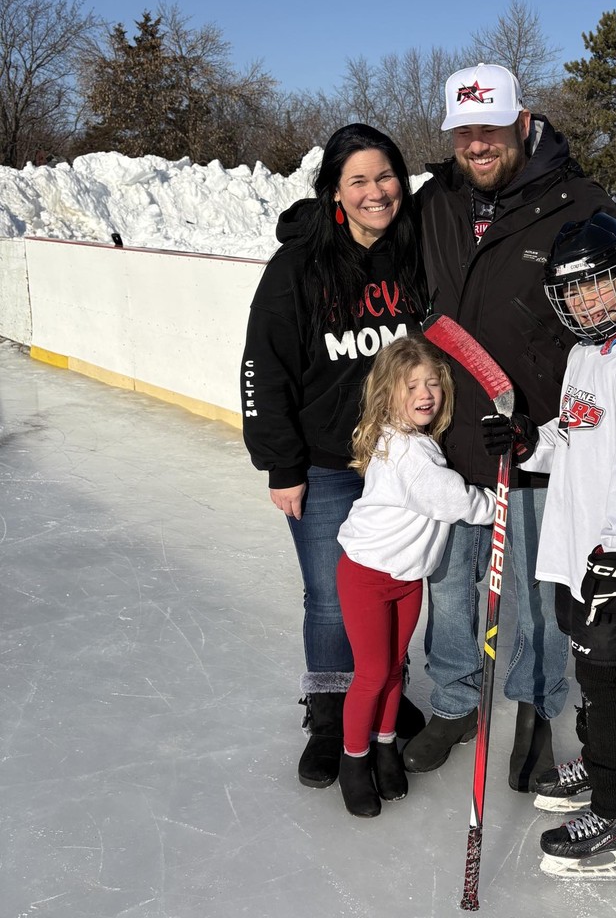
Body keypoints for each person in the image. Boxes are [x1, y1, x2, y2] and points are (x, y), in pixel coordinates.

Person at [404, 63, 616, 791]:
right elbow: (378, 251)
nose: (477, 145)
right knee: (448, 589)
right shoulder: (436, 199)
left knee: (542, 599)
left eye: (490, 129)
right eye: (464, 132)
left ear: (522, 122)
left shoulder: (574, 198)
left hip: (540, 435)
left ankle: (536, 711)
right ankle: (453, 704)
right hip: (451, 432)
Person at [481, 211, 616, 880]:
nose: (588, 301)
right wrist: (530, 442)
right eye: (574, 290)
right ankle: (600, 765)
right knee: (589, 673)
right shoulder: (583, 357)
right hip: (578, 555)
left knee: (609, 682)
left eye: (599, 283)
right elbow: (576, 438)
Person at [241, 123, 428, 791]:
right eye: (359, 180)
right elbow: (264, 368)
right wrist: (282, 465)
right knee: (329, 596)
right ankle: (328, 716)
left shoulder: (414, 254)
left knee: (395, 585)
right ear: (334, 193)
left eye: (386, 176)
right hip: (325, 464)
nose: (377, 192)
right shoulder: (297, 267)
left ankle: (380, 695)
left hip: (401, 463)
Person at [334, 336, 496, 818]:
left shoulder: (418, 442)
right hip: (367, 576)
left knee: (393, 670)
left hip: (405, 579)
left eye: (433, 383)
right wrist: (498, 502)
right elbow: (457, 501)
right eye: (411, 386)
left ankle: (385, 744)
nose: (425, 394)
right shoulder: (408, 454)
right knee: (372, 674)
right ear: (388, 394)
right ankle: (353, 760)